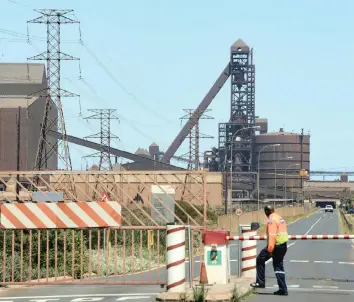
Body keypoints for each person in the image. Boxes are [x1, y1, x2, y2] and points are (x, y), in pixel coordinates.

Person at [250, 205, 289, 296]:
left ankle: (260, 282)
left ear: (267, 212)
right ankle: (283, 289)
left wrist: (270, 249)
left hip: (275, 245)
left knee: (260, 259)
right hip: (283, 246)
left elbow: (272, 235)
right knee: (278, 266)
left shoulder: (271, 220)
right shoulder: (279, 218)